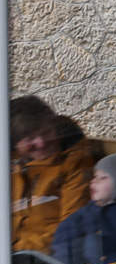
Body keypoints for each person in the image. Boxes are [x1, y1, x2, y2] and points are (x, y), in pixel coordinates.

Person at [10, 96, 95, 253]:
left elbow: (72, 226)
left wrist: (15, 251)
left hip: (50, 254)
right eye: (29, 139)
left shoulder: (74, 162)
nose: (41, 143)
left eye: (47, 132)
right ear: (14, 143)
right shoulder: (10, 166)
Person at [50, 151, 116, 264]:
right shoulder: (88, 211)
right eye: (94, 176)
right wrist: (68, 263)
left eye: (102, 178)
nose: (94, 182)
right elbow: (65, 236)